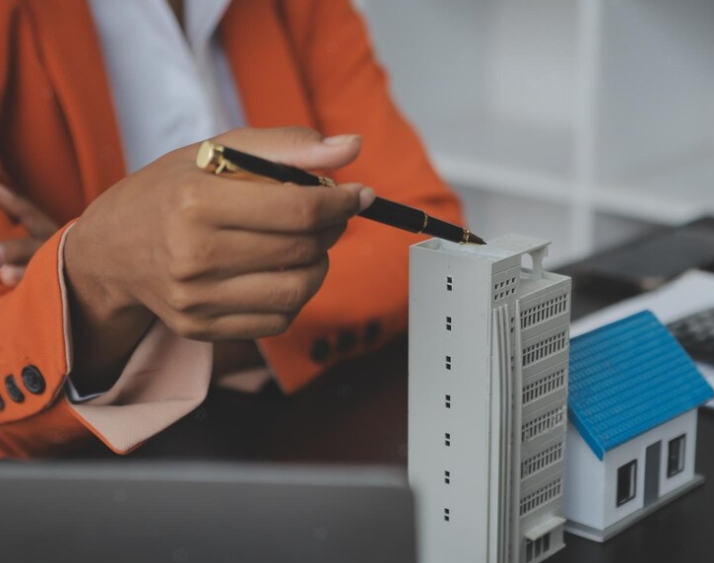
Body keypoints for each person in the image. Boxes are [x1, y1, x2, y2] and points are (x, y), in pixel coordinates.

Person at [0, 0, 462, 458]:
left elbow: (428, 240)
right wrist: (95, 271)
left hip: (311, 421)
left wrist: (93, 301)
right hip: (87, 477)